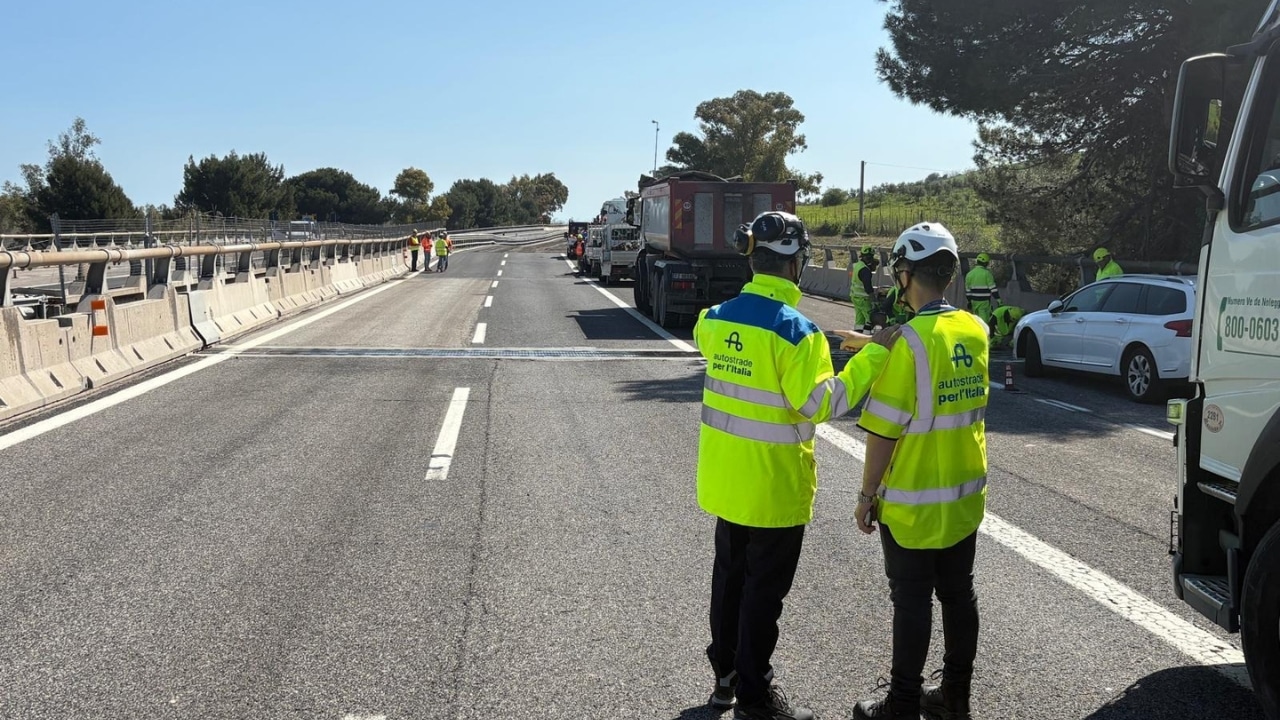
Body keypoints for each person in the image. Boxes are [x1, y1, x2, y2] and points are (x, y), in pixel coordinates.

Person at [696, 211, 902, 720]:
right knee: (763, 594)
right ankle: (755, 697)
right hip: (774, 487)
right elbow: (819, 404)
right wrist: (871, 359)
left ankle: (725, 678)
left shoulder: (713, 319)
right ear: (795, 264)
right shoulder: (798, 333)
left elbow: (732, 356)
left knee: (729, 582)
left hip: (725, 479)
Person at [852, 222, 988, 720]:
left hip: (912, 503)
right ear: (950, 275)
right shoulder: (975, 330)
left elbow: (883, 431)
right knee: (958, 594)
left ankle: (903, 703)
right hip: (964, 497)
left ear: (905, 275)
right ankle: (955, 697)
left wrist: (866, 495)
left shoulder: (908, 342)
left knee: (911, 602)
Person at [963, 252, 1000, 325]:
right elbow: (993, 289)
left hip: (974, 302)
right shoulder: (987, 274)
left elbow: (968, 291)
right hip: (984, 302)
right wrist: (998, 300)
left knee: (976, 320)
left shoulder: (969, 274)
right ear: (986, 263)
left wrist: (969, 301)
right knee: (984, 322)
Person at [850, 246, 878, 332]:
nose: (870, 259)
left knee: (860, 320)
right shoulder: (865, 270)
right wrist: (874, 301)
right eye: (869, 257)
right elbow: (868, 288)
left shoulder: (858, 265)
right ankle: (867, 336)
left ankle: (857, 335)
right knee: (870, 320)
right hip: (863, 299)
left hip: (855, 297)